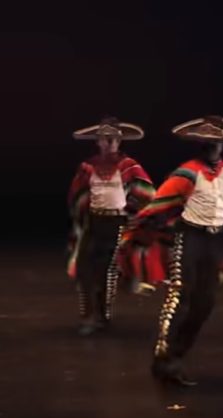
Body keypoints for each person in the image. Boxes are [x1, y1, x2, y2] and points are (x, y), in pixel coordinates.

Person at [121, 115, 223, 386]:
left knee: (205, 303)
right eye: (209, 142)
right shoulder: (188, 172)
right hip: (189, 238)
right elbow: (160, 203)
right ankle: (165, 358)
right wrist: (141, 229)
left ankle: (176, 354)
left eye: (218, 142)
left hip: (213, 241)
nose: (214, 147)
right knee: (180, 298)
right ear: (202, 144)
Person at [67, 116, 155, 336]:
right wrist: (82, 215)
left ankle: (102, 316)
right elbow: (76, 195)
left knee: (107, 272)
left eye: (114, 138)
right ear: (98, 142)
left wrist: (133, 214)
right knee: (85, 268)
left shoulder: (128, 166)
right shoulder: (88, 167)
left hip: (117, 223)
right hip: (94, 222)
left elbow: (147, 192)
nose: (110, 142)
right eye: (106, 139)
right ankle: (88, 316)